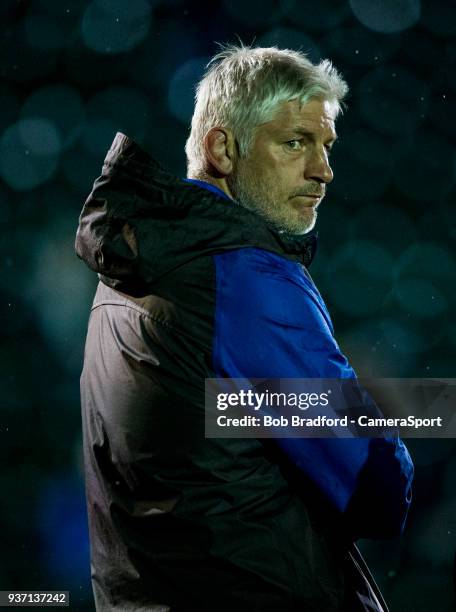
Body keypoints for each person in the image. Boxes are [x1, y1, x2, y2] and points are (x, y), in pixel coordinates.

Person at [76, 45, 414, 611]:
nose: (323, 171)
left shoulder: (135, 270)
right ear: (222, 148)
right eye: (295, 143)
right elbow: (377, 488)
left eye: (326, 146)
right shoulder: (242, 272)